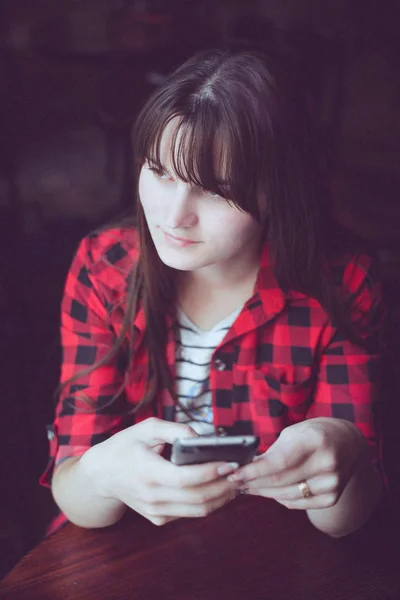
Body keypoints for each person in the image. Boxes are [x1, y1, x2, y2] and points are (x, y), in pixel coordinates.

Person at [41, 49, 386, 538]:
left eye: (216, 189)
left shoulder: (342, 280)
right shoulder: (106, 267)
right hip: (126, 547)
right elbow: (75, 498)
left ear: (277, 191)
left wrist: (342, 447)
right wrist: (100, 473)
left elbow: (342, 524)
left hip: (275, 549)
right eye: (160, 172)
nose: (174, 215)